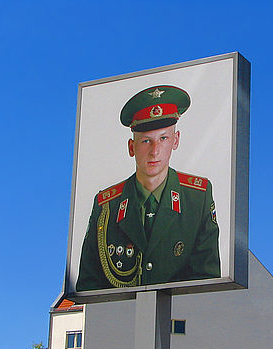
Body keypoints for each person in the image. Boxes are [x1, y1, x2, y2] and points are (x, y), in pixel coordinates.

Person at [76, 85, 220, 291]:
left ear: (175, 140)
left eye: (163, 138)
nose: (155, 151)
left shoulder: (198, 197)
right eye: (146, 141)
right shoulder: (107, 205)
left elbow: (208, 284)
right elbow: (88, 285)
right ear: (131, 147)